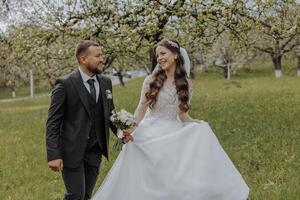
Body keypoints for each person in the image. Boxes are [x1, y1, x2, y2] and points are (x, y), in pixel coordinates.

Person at [91, 39, 249, 200]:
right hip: (150, 129)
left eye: (163, 53)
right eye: (157, 55)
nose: (159, 58)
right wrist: (130, 129)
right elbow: (141, 108)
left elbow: (182, 115)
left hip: (173, 130)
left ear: (175, 55)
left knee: (181, 165)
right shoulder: (151, 81)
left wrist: (196, 124)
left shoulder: (187, 83)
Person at [46, 40, 132, 200]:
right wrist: (53, 154)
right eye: (97, 56)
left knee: (86, 195)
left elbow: (109, 114)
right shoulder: (65, 84)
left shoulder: (105, 82)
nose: (102, 59)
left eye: (102, 55)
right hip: (72, 150)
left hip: (95, 150)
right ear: (83, 59)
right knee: (75, 195)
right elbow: (53, 122)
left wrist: (121, 133)